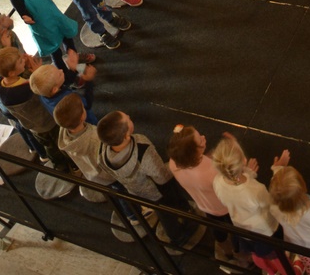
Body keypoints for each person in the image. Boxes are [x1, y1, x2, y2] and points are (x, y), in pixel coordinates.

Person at [98, 110, 193, 247]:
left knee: (162, 212)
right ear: (126, 135)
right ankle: (178, 237)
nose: (130, 117)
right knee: (167, 214)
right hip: (157, 189)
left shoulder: (104, 155)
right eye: (128, 119)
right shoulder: (142, 148)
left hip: (136, 190)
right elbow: (160, 175)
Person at [212, 133, 289, 274]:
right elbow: (272, 202)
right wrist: (278, 169)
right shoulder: (255, 190)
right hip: (266, 232)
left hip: (242, 230)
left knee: (258, 255)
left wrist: (248, 172)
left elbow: (236, 187)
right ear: (244, 160)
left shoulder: (217, 182)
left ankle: (268, 270)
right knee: (277, 256)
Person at [169, 125, 243, 266]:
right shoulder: (211, 170)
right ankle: (240, 254)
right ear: (192, 152)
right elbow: (234, 181)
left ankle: (227, 253)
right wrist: (235, 148)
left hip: (205, 206)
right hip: (225, 207)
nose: (203, 138)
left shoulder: (174, 163)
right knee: (236, 232)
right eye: (200, 141)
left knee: (218, 232)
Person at [0, 46, 74, 171]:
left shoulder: (0, 84)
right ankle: (70, 165)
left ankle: (59, 165)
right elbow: (45, 91)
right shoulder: (27, 90)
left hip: (33, 127)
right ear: (12, 72)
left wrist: (28, 70)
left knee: (48, 146)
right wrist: (37, 71)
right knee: (59, 144)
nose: (24, 61)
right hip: (47, 123)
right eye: (20, 61)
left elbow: (23, 82)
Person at [7, 0, 87, 80]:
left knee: (68, 39)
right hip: (42, 27)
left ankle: (74, 60)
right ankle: (66, 76)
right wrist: (27, 18)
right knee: (55, 52)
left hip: (55, 18)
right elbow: (24, 14)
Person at [55, 93, 115, 202]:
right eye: (83, 108)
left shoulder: (63, 132)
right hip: (108, 175)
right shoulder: (95, 137)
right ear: (83, 116)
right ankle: (133, 216)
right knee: (120, 193)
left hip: (90, 174)